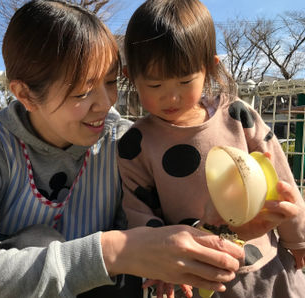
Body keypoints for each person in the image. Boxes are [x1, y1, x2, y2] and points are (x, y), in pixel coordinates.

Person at [0, 1, 247, 297]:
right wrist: (113, 251)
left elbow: (165, 223)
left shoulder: (124, 143)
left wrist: (234, 221)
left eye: (111, 82)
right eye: (83, 92)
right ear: (25, 94)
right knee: (37, 241)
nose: (105, 103)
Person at [117, 0, 305, 297]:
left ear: (209, 68)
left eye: (185, 81)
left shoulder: (238, 117)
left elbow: (284, 187)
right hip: (192, 276)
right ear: (131, 77)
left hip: (264, 268)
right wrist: (160, 264)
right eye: (154, 86)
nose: (172, 97)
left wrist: (298, 239)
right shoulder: (135, 144)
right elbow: (137, 210)